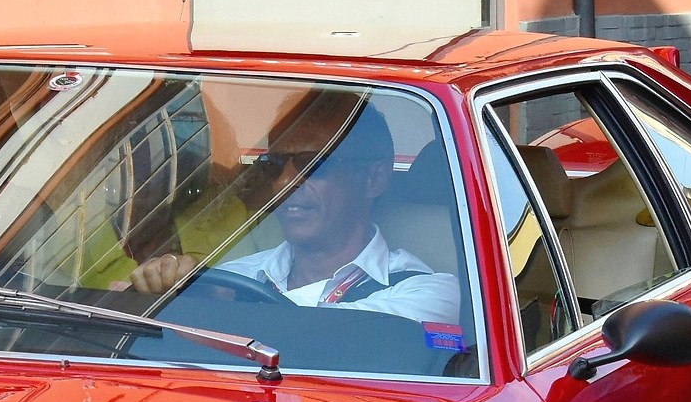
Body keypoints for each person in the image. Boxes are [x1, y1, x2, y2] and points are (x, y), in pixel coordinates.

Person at [123, 105, 461, 326]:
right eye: (274, 165)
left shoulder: (428, 293)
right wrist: (156, 290)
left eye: (314, 163)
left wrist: (210, 307)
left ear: (373, 179)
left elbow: (330, 332)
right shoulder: (233, 277)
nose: (284, 182)